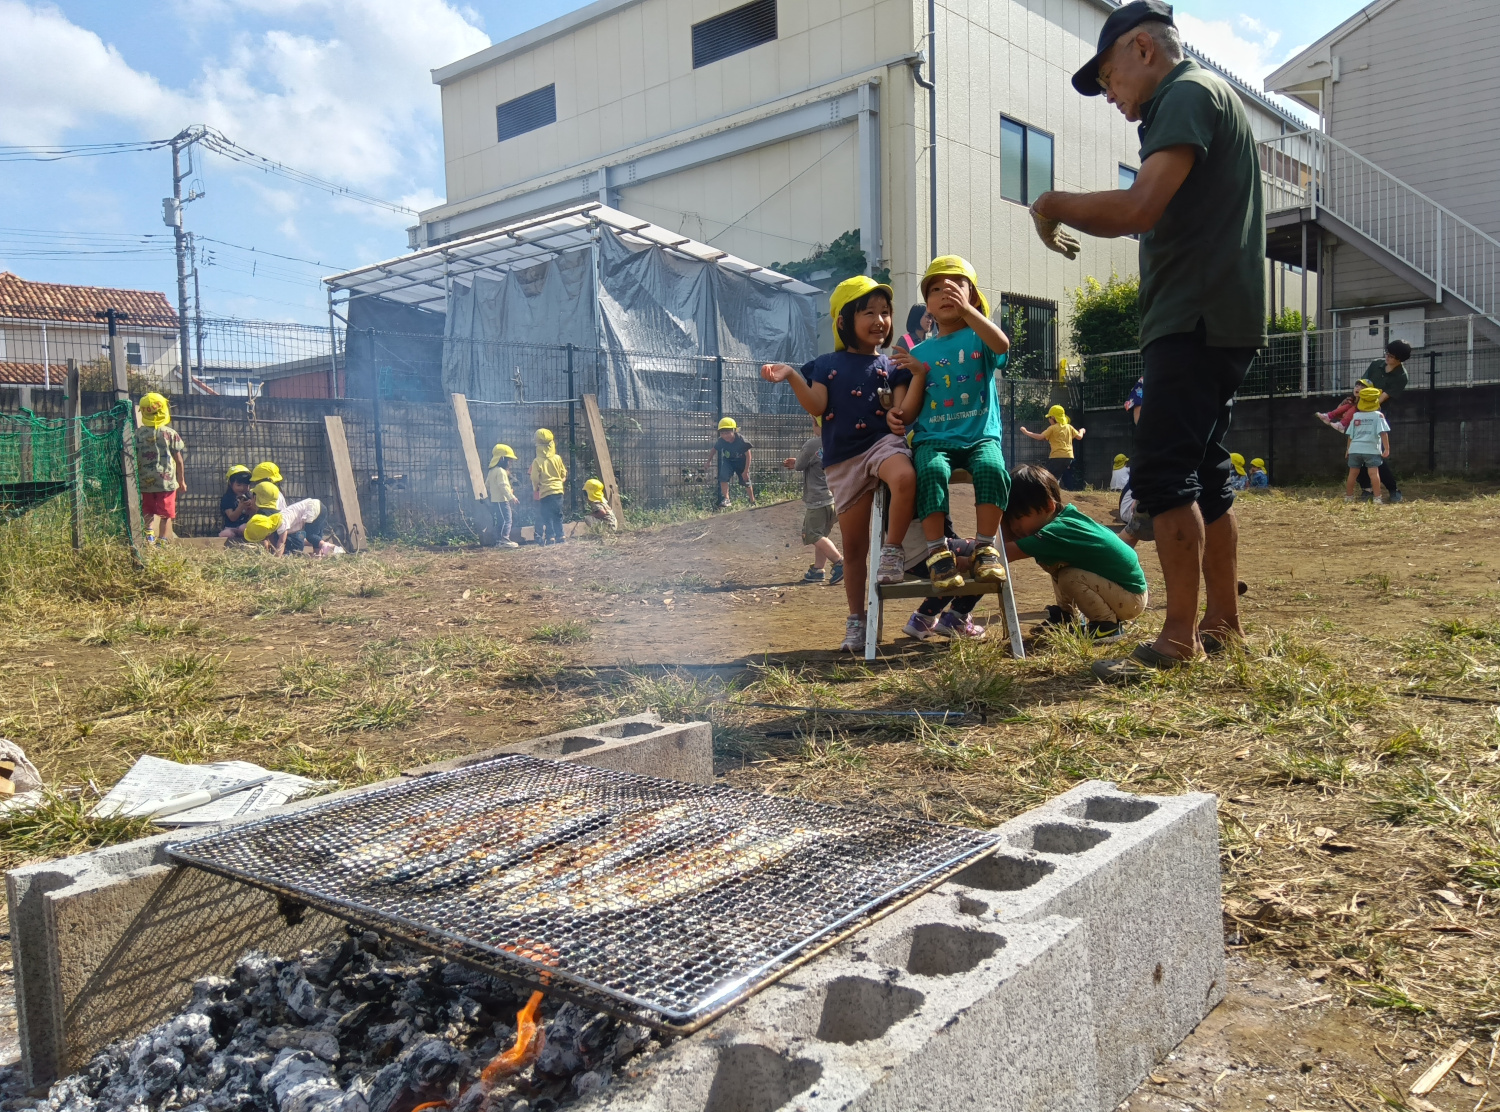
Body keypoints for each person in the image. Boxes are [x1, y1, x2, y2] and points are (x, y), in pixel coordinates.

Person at [1028, 0, 1266, 680]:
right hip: (1218, 315)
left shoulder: (1185, 93)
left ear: (1142, 49)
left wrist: (1051, 203)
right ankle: (1222, 622)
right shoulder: (1208, 97)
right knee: (1209, 474)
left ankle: (1177, 640)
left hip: (1192, 317)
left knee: (1162, 477)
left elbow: (1140, 209)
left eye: (1107, 80)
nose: (1112, 98)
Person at [761, 275, 918, 652]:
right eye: (869, 312)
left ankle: (893, 550)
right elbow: (817, 406)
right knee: (854, 548)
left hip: (882, 443)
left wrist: (903, 410)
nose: (880, 320)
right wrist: (792, 375)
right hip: (844, 460)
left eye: (885, 313)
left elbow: (900, 409)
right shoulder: (825, 364)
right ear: (843, 321)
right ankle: (856, 622)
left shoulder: (892, 364)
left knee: (904, 475)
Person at [887, 255, 1013, 593]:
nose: (947, 293)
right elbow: (910, 414)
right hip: (933, 439)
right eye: (937, 289)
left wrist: (971, 314)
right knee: (929, 472)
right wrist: (897, 413)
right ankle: (938, 553)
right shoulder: (922, 352)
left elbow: (1002, 345)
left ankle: (985, 548)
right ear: (927, 304)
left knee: (993, 469)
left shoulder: (980, 339)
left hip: (979, 436)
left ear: (972, 295)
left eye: (957, 286)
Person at [1003, 463, 1149, 641]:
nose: (1014, 528)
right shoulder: (1064, 520)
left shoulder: (1057, 532)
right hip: (1122, 591)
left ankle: (1107, 626)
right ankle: (1068, 618)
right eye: (1010, 521)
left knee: (1068, 576)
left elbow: (1004, 553)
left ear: (1048, 506)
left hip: (1130, 598)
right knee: (1058, 565)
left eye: (1018, 518)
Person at [898, 516, 986, 640]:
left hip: (896, 558)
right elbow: (939, 519)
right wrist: (959, 543)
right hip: (925, 554)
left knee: (949, 567)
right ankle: (956, 618)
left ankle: (922, 619)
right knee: (983, 554)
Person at [783, 422, 844, 585]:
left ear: (818, 424)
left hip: (816, 499)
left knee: (813, 534)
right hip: (832, 498)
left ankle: (839, 562)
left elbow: (800, 466)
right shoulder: (837, 441)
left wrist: (795, 463)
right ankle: (818, 570)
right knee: (822, 535)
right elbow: (819, 460)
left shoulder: (812, 444)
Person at [134, 392, 186, 544]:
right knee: (166, 514)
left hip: (144, 481)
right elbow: (179, 460)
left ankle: (149, 535)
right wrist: (181, 480)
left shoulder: (138, 434)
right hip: (167, 482)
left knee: (148, 510)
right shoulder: (170, 434)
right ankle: (162, 540)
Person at [1344, 387, 1390, 504]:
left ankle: (1348, 497)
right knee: (1374, 474)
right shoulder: (1378, 416)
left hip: (1355, 449)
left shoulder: (1356, 416)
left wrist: (1348, 449)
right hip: (1371, 449)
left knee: (1352, 474)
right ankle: (1377, 498)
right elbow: (1383, 433)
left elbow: (1350, 435)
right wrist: (1387, 449)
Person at [1020, 405, 1085, 487]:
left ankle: (1044, 493)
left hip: (1056, 456)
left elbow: (1040, 437)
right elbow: (1079, 437)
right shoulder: (1069, 427)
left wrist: (1026, 432)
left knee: (1045, 474)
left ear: (1053, 418)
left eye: (1049, 417)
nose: (1048, 419)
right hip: (1068, 457)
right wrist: (1082, 430)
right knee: (1056, 476)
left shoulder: (1052, 428)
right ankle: (1055, 493)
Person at [244, 497, 333, 556]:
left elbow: (281, 542)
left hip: (313, 509)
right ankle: (318, 556)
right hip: (317, 506)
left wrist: (277, 558)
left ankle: (326, 546)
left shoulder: (281, 524)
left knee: (310, 536)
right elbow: (271, 539)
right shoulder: (274, 520)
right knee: (316, 536)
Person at [530, 428, 567, 545]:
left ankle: (550, 537)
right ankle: (561, 535)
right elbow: (563, 474)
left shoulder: (537, 461)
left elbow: (534, 478)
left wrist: (536, 487)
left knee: (547, 515)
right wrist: (560, 481)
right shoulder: (557, 458)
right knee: (558, 514)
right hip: (558, 491)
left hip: (545, 492)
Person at [709, 418, 756, 508]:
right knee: (723, 477)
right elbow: (714, 450)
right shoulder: (721, 440)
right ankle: (727, 499)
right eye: (722, 433)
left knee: (746, 481)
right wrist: (708, 461)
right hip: (728, 461)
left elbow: (748, 455)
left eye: (727, 433)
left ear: (734, 431)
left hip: (741, 462)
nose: (725, 435)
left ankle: (752, 501)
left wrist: (746, 471)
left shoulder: (741, 440)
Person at [485, 443, 520, 548]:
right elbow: (503, 486)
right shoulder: (501, 471)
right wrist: (512, 497)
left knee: (501, 520)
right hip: (502, 500)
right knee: (507, 519)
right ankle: (504, 540)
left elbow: (487, 485)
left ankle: (499, 541)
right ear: (502, 459)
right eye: (509, 460)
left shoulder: (492, 471)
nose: (510, 462)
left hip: (496, 500)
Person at [218, 465, 255, 540]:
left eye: (246, 485)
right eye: (238, 485)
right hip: (231, 527)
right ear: (230, 484)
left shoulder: (250, 496)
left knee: (244, 528)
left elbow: (252, 515)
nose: (242, 488)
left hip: (244, 526)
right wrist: (240, 507)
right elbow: (232, 517)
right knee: (226, 534)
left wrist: (251, 507)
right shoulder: (228, 498)